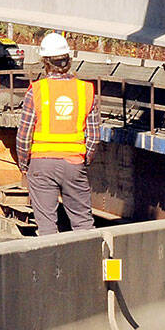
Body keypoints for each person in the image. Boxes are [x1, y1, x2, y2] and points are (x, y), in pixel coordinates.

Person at [16, 32, 98, 235]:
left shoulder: (36, 91)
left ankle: (51, 266)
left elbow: (24, 135)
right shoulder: (86, 91)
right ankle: (90, 265)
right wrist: (83, 159)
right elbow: (94, 137)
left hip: (41, 164)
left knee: (46, 227)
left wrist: (24, 164)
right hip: (73, 163)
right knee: (83, 225)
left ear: (45, 61)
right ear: (68, 60)